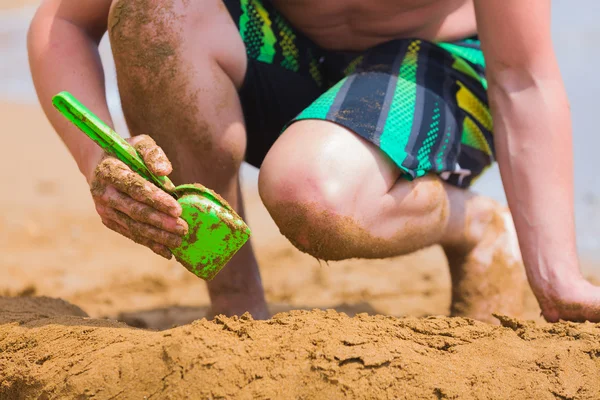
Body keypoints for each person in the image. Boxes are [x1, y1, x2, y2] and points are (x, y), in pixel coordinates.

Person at [27, 0, 600, 323]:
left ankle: (473, 222)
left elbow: (522, 78)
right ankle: (236, 305)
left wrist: (558, 278)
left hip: (436, 65)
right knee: (153, 12)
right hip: (281, 48)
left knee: (312, 196)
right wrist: (101, 157)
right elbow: (65, 23)